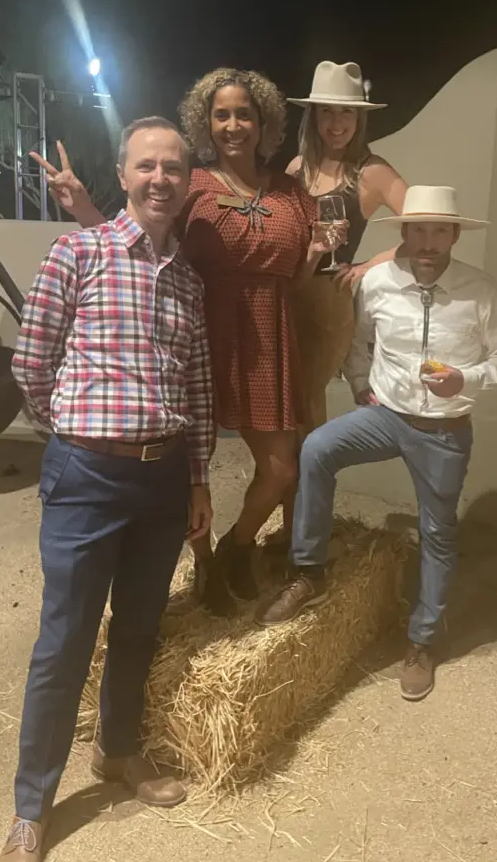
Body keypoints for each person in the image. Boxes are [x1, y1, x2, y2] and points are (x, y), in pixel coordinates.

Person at [0, 117, 214, 862]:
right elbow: (31, 361)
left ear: (187, 181)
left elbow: (196, 387)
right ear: (122, 175)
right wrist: (79, 438)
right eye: (147, 165)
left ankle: (117, 751)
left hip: (163, 484)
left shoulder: (186, 280)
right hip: (87, 476)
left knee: (140, 628)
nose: (161, 178)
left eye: (174, 168)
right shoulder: (77, 253)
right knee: (63, 642)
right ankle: (31, 811)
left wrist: (196, 478)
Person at [38, 69, 343, 612]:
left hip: (268, 334)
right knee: (185, 464)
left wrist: (317, 256)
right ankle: (205, 569)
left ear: (263, 121)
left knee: (281, 467)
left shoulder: (294, 195)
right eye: (220, 114)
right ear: (206, 122)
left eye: (243, 113)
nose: (232, 125)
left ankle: (234, 547)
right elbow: (135, 241)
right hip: (192, 327)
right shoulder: (189, 183)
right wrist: (84, 208)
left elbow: (295, 281)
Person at [255, 185, 497, 702]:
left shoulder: (480, 290)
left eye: (439, 229)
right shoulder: (377, 283)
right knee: (317, 450)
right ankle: (309, 571)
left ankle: (421, 642)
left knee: (438, 532)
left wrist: (463, 380)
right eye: (417, 229)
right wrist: (359, 387)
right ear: (404, 233)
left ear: (455, 234)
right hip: (387, 416)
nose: (427, 240)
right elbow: (359, 342)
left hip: (444, 429)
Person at [264, 61, 407, 556]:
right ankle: (295, 532)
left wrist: (368, 265)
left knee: (306, 413)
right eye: (328, 112)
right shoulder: (293, 171)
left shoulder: (371, 172)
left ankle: (303, 541)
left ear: (359, 118)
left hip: (328, 306)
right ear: (315, 116)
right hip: (290, 296)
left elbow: (423, 225)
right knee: (287, 416)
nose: (337, 123)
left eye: (346, 113)